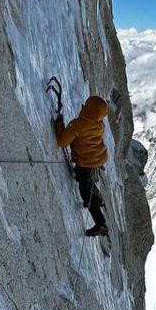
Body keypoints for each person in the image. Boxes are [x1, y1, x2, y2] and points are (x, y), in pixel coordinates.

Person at [54, 95, 110, 237]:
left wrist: (59, 124)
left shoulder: (78, 125)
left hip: (87, 161)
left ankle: (100, 223)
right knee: (87, 180)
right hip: (98, 158)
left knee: (85, 189)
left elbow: (62, 142)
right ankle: (97, 199)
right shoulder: (99, 125)